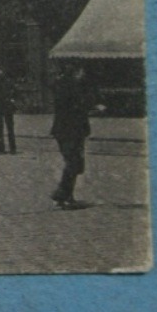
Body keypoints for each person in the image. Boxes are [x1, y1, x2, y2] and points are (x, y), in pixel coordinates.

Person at [50, 62, 99, 209]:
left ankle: (67, 197)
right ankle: (61, 193)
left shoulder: (63, 85)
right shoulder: (70, 87)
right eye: (81, 72)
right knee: (73, 162)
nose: (83, 75)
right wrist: (93, 106)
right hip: (71, 130)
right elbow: (77, 106)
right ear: (76, 72)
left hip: (65, 130)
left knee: (74, 162)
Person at [0, 67, 18, 154]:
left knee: (1, 128)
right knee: (9, 128)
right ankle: (11, 148)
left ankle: (2, 148)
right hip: (5, 106)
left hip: (1, 107)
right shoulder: (9, 82)